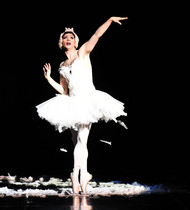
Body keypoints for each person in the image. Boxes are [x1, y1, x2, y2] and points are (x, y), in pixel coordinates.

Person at [36, 17, 128, 194]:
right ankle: (84, 175)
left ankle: (75, 174)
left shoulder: (83, 52)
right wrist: (48, 79)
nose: (68, 39)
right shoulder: (62, 65)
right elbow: (64, 90)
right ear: (61, 42)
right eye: (65, 37)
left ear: (75, 40)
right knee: (77, 141)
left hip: (87, 101)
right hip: (72, 104)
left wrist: (109, 20)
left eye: (71, 36)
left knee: (81, 140)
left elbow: (97, 35)